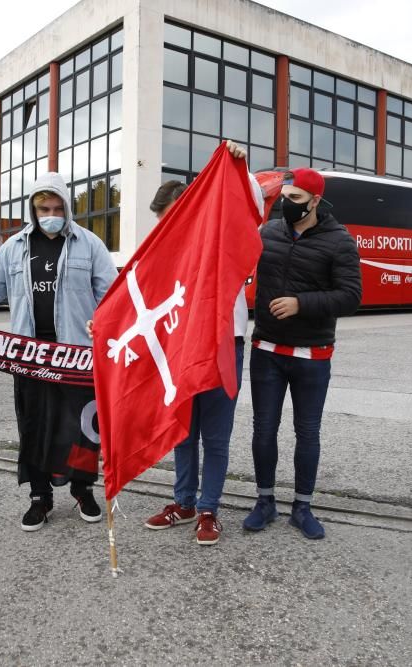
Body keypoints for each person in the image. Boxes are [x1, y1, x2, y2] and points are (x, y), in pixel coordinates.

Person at [0, 173, 117, 532]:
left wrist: (110, 328)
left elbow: (111, 296)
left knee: (82, 429)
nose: (52, 214)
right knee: (34, 428)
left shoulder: (89, 245)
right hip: (28, 357)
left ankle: (83, 488)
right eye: (44, 208)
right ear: (32, 209)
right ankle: (40, 497)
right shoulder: (15, 248)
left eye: (58, 207)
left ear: (68, 208)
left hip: (76, 358)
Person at [143, 141, 258, 546]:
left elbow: (252, 204)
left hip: (226, 342)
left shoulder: (222, 231)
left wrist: (239, 166)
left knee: (216, 435)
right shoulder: (163, 247)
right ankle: (184, 502)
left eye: (172, 217)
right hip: (182, 346)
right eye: (162, 221)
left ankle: (208, 508)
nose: (167, 226)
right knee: (183, 431)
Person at [243, 168, 361, 540]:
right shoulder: (269, 232)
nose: (285, 204)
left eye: (295, 199)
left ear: (315, 201)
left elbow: (351, 296)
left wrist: (301, 304)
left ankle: (302, 507)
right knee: (263, 429)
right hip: (266, 349)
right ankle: (264, 502)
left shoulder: (339, 241)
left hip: (313, 354)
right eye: (284, 197)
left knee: (307, 432)